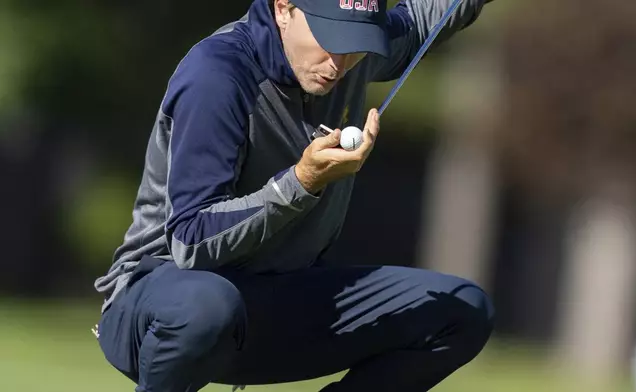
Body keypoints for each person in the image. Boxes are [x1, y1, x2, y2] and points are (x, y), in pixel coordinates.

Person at [93, 0, 496, 391]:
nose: (339, 63)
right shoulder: (217, 73)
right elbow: (191, 239)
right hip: (161, 305)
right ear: (283, 9)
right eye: (331, 38)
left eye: (357, 43)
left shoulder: (354, 52)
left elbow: (433, 12)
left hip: (273, 304)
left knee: (461, 311)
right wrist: (300, 183)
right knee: (207, 306)